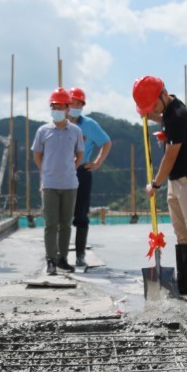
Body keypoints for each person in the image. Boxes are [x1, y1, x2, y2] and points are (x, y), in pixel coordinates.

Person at [131, 75, 187, 302]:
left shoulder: (177, 116)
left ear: (163, 95)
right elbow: (161, 118)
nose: (152, 111)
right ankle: (185, 285)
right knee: (182, 234)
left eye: (153, 106)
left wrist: (155, 185)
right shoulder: (168, 113)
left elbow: (170, 157)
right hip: (176, 181)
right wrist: (151, 114)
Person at [32, 87, 84, 275]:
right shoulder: (43, 131)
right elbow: (37, 154)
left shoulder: (75, 131)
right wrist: (46, 170)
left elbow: (80, 153)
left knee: (66, 223)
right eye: (53, 106)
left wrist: (72, 167)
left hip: (70, 184)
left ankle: (62, 258)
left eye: (60, 106)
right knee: (50, 224)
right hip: (50, 184)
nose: (56, 109)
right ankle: (50, 260)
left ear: (67, 108)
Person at [67, 87, 111, 266]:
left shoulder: (90, 125)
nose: (75, 106)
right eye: (72, 103)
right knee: (61, 215)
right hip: (63, 172)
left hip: (82, 171)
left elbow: (106, 142)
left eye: (79, 103)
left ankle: (80, 255)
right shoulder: (60, 123)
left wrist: (97, 162)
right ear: (66, 104)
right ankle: (58, 255)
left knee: (81, 215)